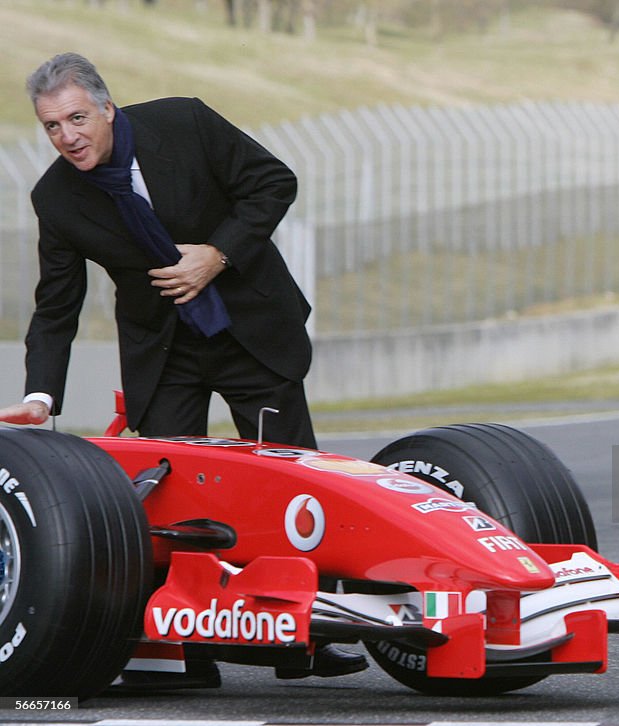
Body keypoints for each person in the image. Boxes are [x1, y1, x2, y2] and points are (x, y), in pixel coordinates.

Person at [0, 52, 364, 687]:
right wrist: (40, 397)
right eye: (52, 126)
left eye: (79, 118)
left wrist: (216, 254)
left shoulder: (185, 124)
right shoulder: (54, 197)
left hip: (250, 327)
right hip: (163, 350)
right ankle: (185, 651)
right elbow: (56, 306)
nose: (69, 137)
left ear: (107, 109)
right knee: (172, 495)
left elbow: (273, 181)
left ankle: (303, 639)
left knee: (289, 478)